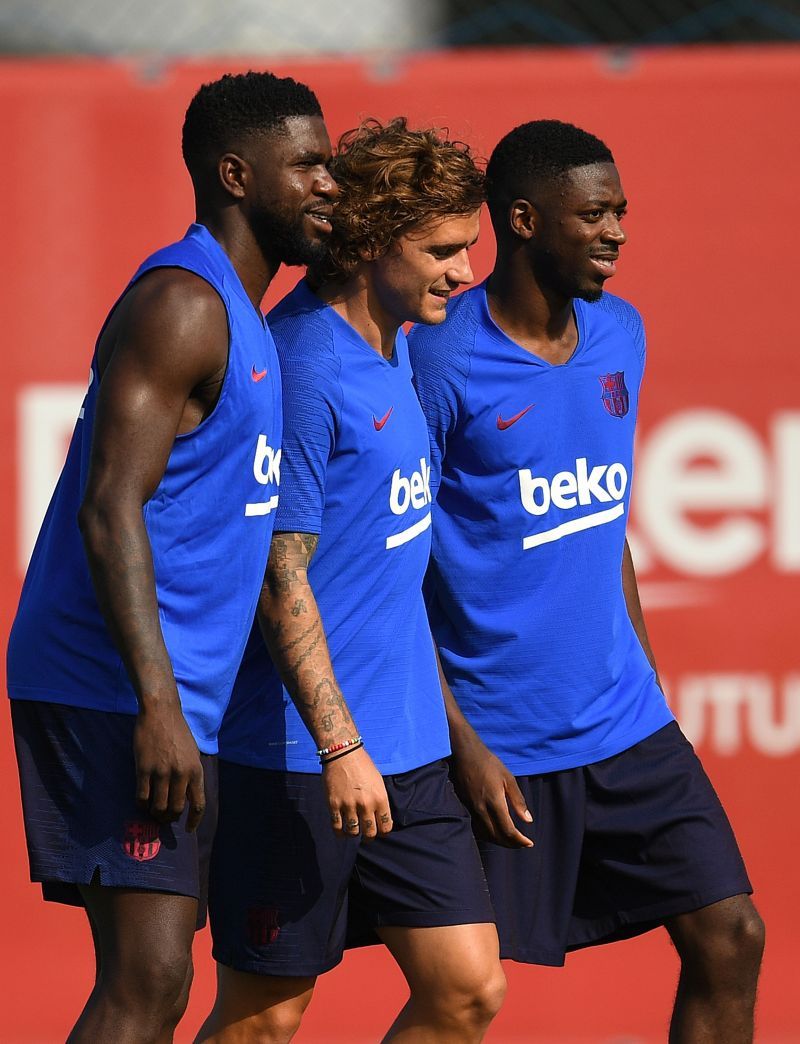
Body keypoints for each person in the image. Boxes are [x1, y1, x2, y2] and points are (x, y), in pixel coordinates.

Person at [408, 119, 765, 1042]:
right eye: (594, 214)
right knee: (462, 1000)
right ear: (523, 220)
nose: (617, 233)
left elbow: (605, 528)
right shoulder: (439, 360)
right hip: (500, 742)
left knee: (731, 937)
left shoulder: (621, 333)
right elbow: (389, 569)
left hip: (626, 725)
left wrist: (644, 679)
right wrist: (461, 742)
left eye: (623, 213)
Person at [6, 71, 337, 1043]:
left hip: (168, 693)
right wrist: (157, 705)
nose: (329, 183)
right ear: (236, 174)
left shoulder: (251, 319)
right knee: (146, 983)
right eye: (308, 164)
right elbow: (108, 510)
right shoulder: (185, 305)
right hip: (113, 687)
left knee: (158, 980)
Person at [198, 117, 505, 1044]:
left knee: (466, 990)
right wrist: (341, 749)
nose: (464, 271)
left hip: (408, 753)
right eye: (443, 251)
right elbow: (276, 575)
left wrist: (450, 732)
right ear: (370, 245)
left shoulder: (400, 338)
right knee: (267, 1016)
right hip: (296, 760)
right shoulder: (300, 366)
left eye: (470, 248)